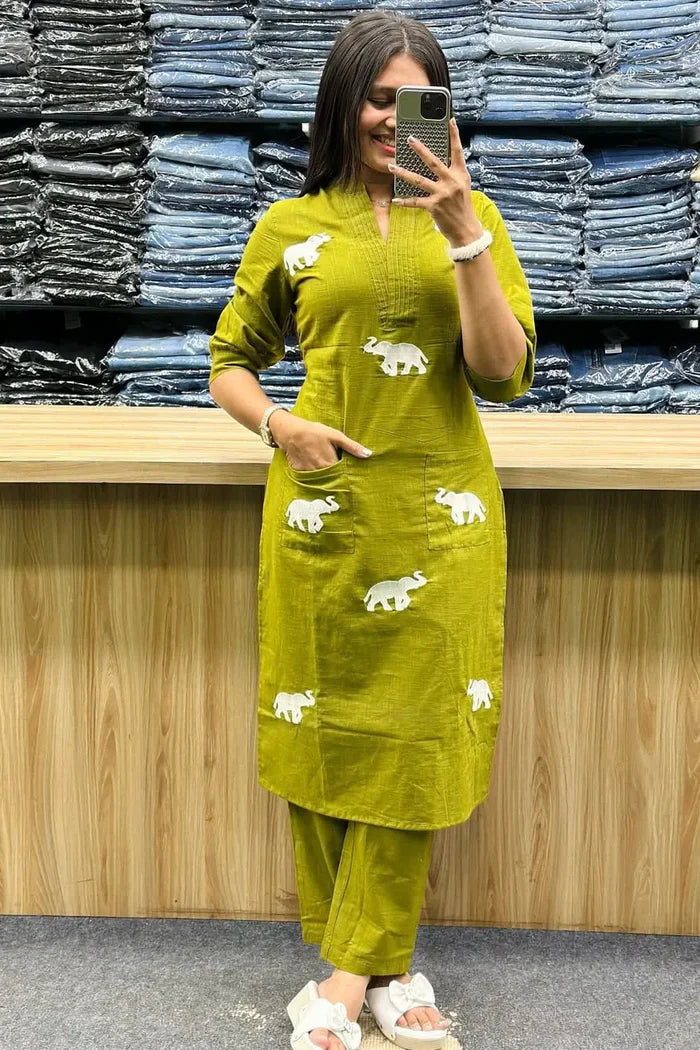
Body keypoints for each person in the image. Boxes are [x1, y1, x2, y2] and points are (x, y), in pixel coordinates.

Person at [208, 10, 536, 1050]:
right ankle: (390, 969)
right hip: (323, 516)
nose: (397, 119)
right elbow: (229, 361)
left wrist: (463, 231)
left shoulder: (476, 220)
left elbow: (503, 374)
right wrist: (280, 426)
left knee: (418, 740)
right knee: (318, 725)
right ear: (343, 103)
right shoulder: (289, 227)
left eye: (418, 100)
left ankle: (343, 981)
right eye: (380, 98)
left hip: (441, 522)